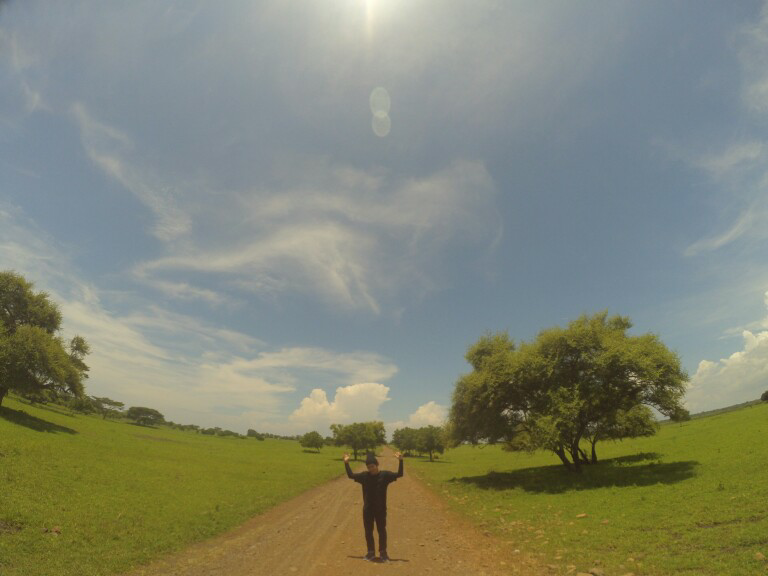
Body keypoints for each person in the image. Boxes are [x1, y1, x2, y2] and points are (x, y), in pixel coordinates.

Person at [344, 450, 403, 563]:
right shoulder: (364, 476)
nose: (371, 469)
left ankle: (383, 553)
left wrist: (401, 461)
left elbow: (399, 474)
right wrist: (346, 463)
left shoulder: (385, 476)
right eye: (369, 467)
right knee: (368, 531)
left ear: (377, 465)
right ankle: (370, 552)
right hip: (368, 509)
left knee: (381, 530)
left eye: (372, 466)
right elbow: (351, 475)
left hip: (380, 510)